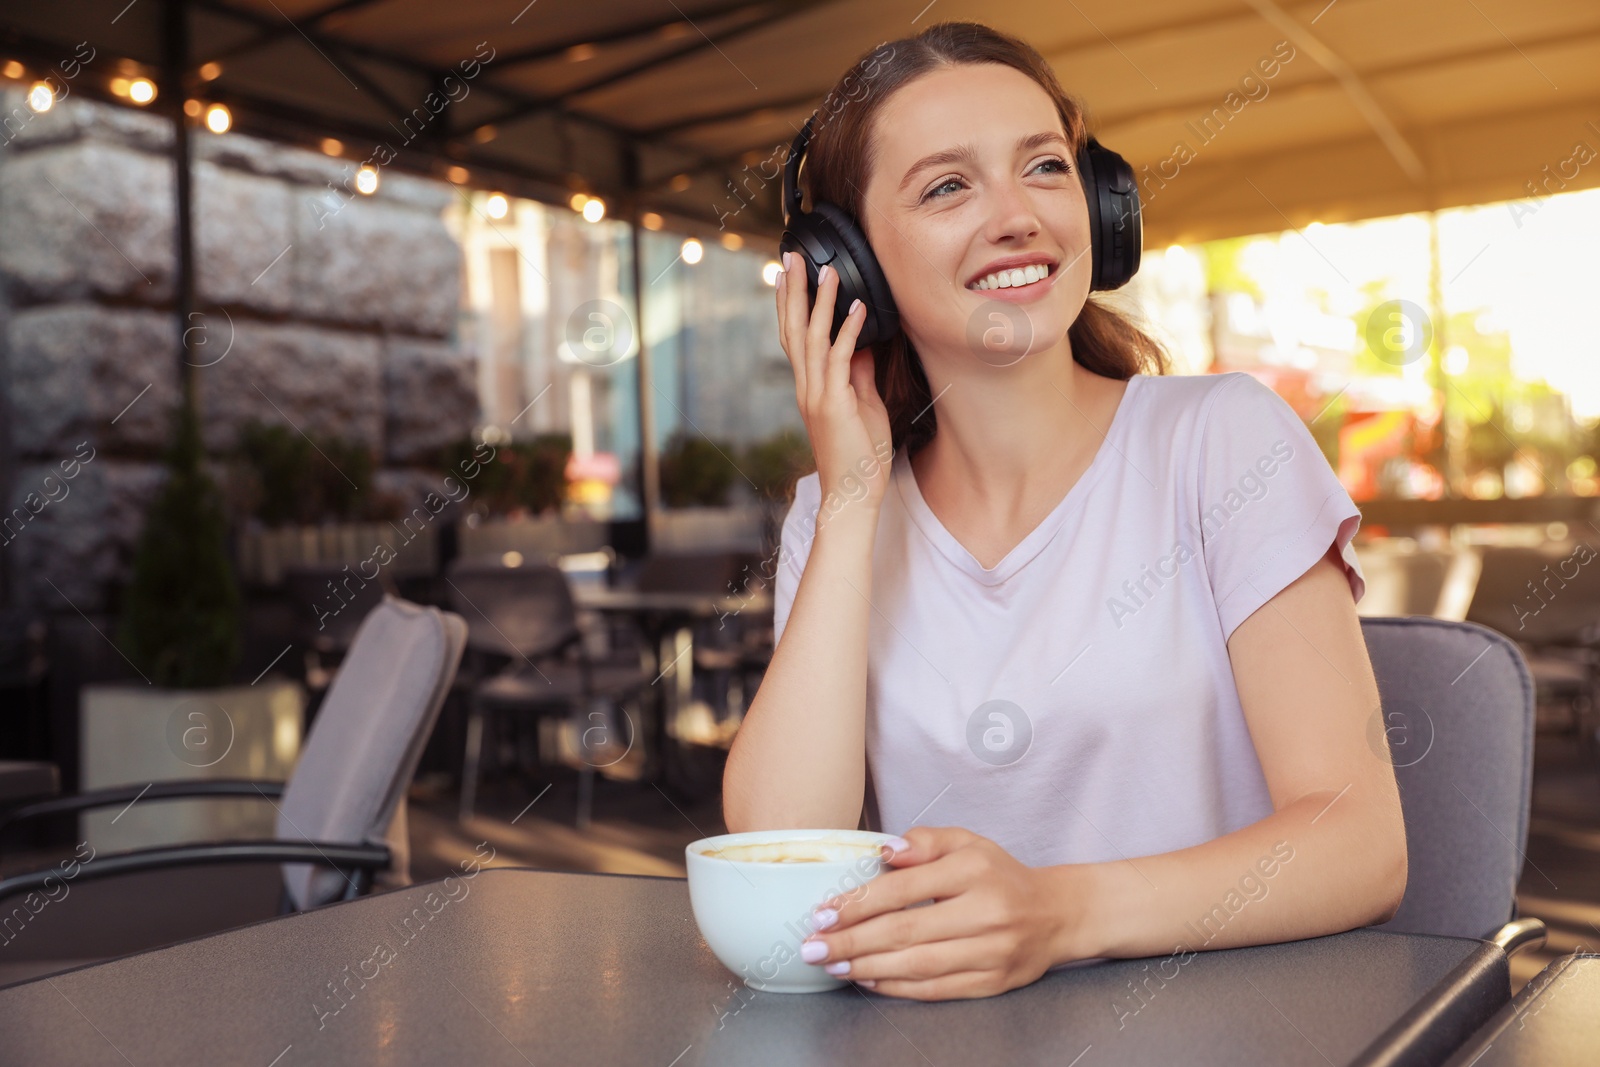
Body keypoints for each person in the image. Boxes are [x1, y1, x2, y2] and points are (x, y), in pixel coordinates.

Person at [721, 20, 1407, 1002]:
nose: (1017, 216)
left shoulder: (1220, 440)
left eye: (1043, 166)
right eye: (947, 186)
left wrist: (1059, 913)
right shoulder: (836, 511)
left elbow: (1361, 843)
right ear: (849, 268)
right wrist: (852, 499)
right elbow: (781, 857)